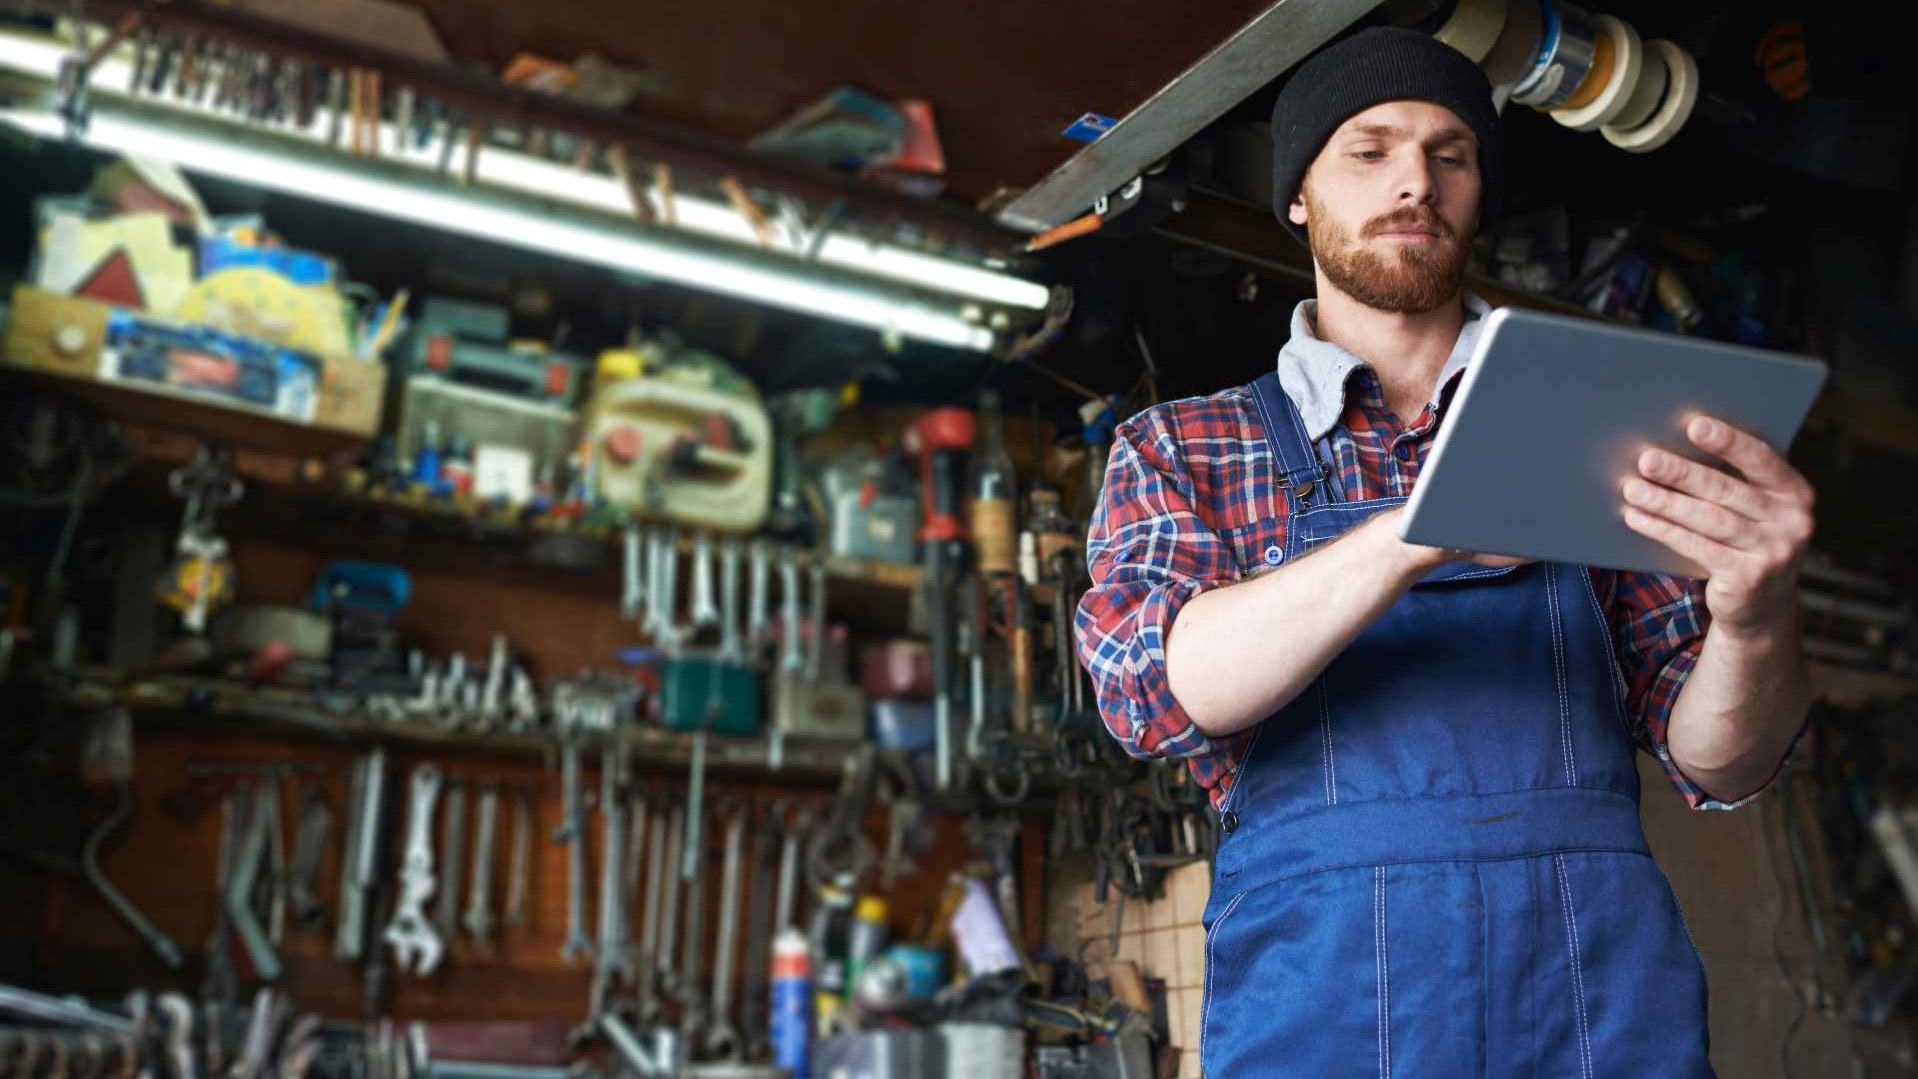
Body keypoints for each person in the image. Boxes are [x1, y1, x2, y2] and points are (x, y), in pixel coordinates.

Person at [1074, 27, 1814, 1077]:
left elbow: (1721, 760)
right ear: (1297, 195)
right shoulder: (1185, 446)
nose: (1413, 181)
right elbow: (1153, 690)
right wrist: (1408, 535)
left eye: (1449, 153)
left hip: (1593, 991)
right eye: (1368, 150)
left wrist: (1755, 615)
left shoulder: (1606, 427)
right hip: (1320, 993)